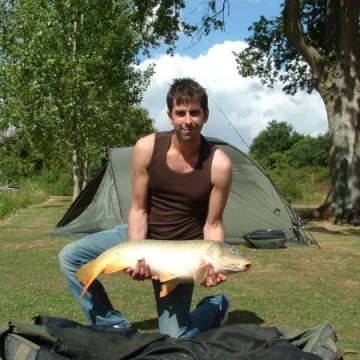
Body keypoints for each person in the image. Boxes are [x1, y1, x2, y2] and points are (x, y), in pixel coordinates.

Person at [58, 77, 233, 338]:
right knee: (70, 257)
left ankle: (216, 306)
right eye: (180, 112)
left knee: (175, 338)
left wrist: (211, 265)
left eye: (194, 112)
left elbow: (213, 223)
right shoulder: (146, 148)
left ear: (205, 115)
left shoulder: (219, 164)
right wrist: (136, 254)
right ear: (170, 116)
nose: (188, 120)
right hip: (142, 237)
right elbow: (139, 209)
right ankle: (111, 324)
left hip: (182, 251)